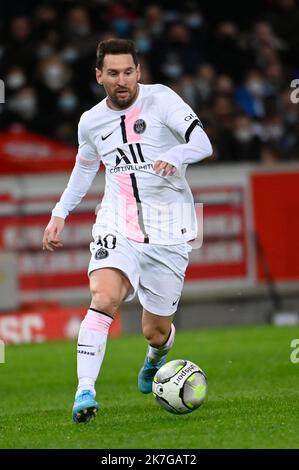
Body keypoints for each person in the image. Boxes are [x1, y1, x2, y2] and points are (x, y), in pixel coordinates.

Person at [42, 38, 212, 423]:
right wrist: (59, 213)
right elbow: (85, 168)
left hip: (169, 229)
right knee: (103, 297)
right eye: (114, 73)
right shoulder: (91, 121)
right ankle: (84, 391)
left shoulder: (162, 100)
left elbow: (202, 142)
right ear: (99, 75)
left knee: (155, 331)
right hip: (117, 222)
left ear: (139, 71)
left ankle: (155, 359)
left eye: (129, 72)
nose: (123, 80)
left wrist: (176, 152)